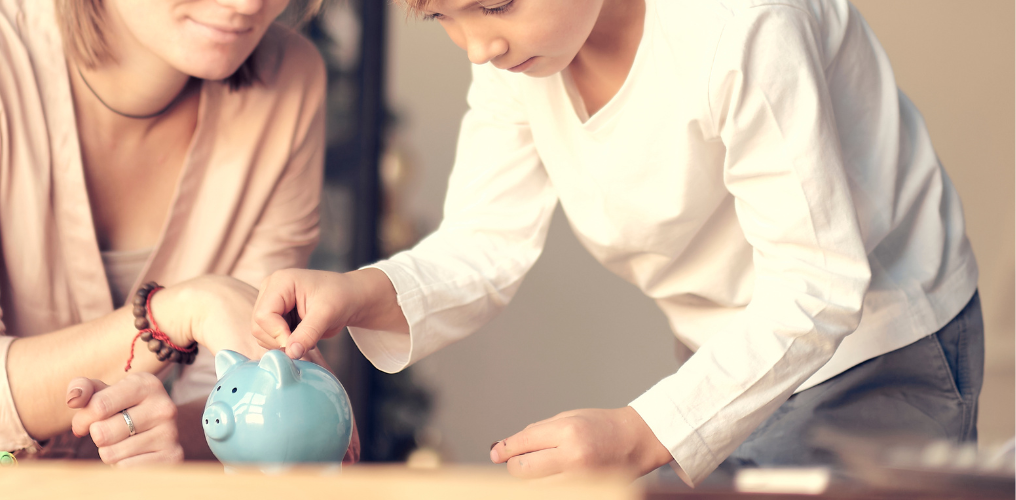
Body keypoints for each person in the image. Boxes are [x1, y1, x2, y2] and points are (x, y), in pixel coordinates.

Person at [251, 0, 981, 484]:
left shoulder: (740, 22)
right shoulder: (514, 59)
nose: (480, 43)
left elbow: (816, 284)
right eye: (443, 14)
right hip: (732, 353)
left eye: (497, 1)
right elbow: (485, 240)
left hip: (877, 342)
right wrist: (359, 292)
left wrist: (640, 434)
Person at [0, 0, 360, 466]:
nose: (248, 4)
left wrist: (176, 428)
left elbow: (231, 391)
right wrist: (179, 310)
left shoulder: (289, 80)